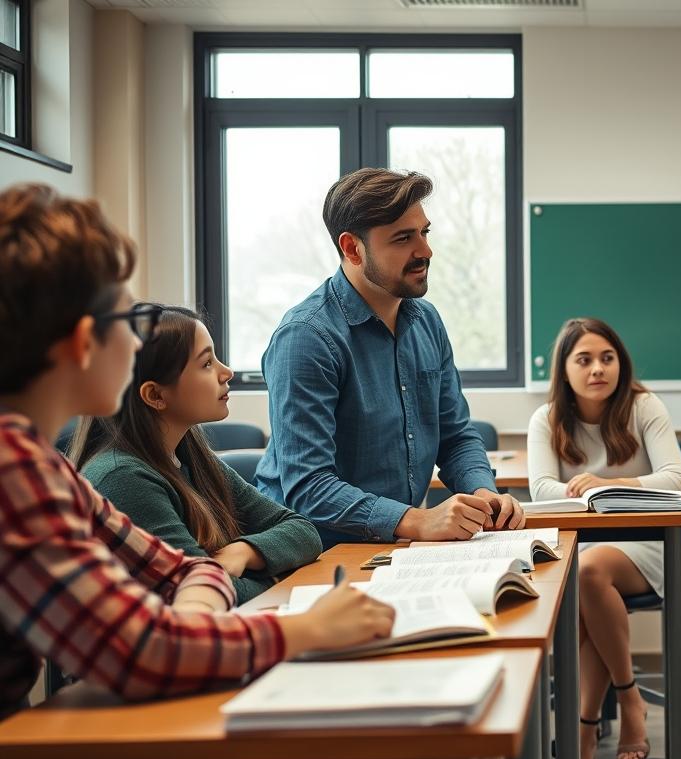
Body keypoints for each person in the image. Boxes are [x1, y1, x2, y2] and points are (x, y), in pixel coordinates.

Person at [0, 182, 394, 720]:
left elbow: (187, 572)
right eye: (126, 321)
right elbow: (142, 654)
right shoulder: (14, 473)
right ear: (80, 342)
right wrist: (309, 629)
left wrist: (199, 601)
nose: (139, 344)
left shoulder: (39, 465)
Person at [255, 167, 523, 547]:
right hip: (313, 554)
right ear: (352, 248)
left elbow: (456, 437)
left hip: (395, 548)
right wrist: (417, 521)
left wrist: (483, 494)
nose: (425, 251)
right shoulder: (306, 338)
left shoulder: (426, 320)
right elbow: (309, 486)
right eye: (403, 238)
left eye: (424, 233)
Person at [73, 306, 323, 604]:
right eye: (206, 363)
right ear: (155, 395)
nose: (226, 372)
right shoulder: (123, 479)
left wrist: (245, 552)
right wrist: (277, 576)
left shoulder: (189, 455)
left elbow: (305, 532)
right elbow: (212, 594)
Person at [528, 318, 681, 759]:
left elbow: (675, 479)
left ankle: (616, 705)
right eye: (584, 360)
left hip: (645, 545)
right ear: (564, 371)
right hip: (578, 550)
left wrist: (608, 484)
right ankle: (596, 717)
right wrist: (585, 491)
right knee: (586, 581)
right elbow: (540, 489)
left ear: (621, 362)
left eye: (607, 358)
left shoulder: (644, 406)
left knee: (589, 572)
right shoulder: (547, 418)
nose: (598, 368)